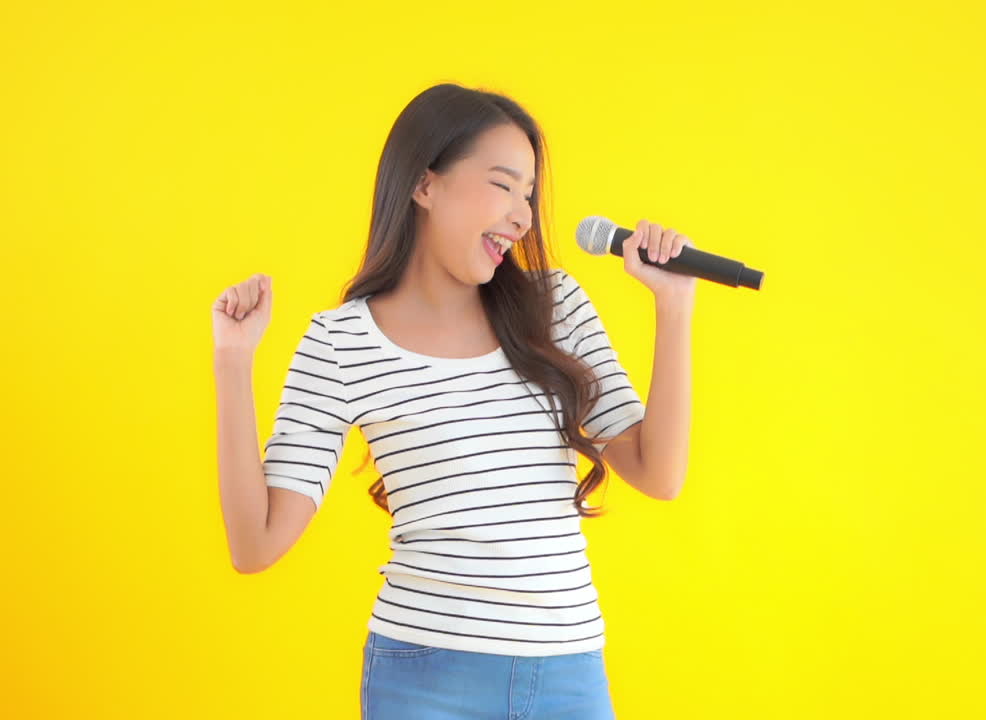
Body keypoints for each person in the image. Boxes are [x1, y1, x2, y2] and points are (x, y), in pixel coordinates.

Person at [211, 83, 696, 719]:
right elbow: (256, 545)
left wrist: (674, 306)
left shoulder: (554, 306)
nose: (524, 216)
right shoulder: (341, 341)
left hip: (569, 672)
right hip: (426, 677)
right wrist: (232, 359)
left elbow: (659, 474)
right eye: (503, 185)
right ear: (424, 184)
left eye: (528, 194)